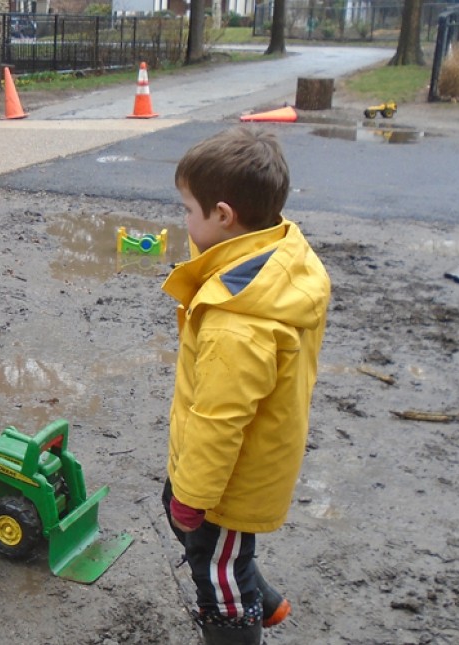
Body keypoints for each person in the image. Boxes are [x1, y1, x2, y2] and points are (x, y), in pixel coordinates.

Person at [159, 127, 330, 645]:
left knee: (218, 576)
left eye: (189, 209)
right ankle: (269, 603)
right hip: (221, 467)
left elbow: (220, 420)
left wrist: (194, 495)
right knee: (184, 518)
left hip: (230, 482)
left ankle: (242, 623)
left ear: (224, 216)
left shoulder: (239, 324)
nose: (185, 220)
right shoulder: (268, 251)